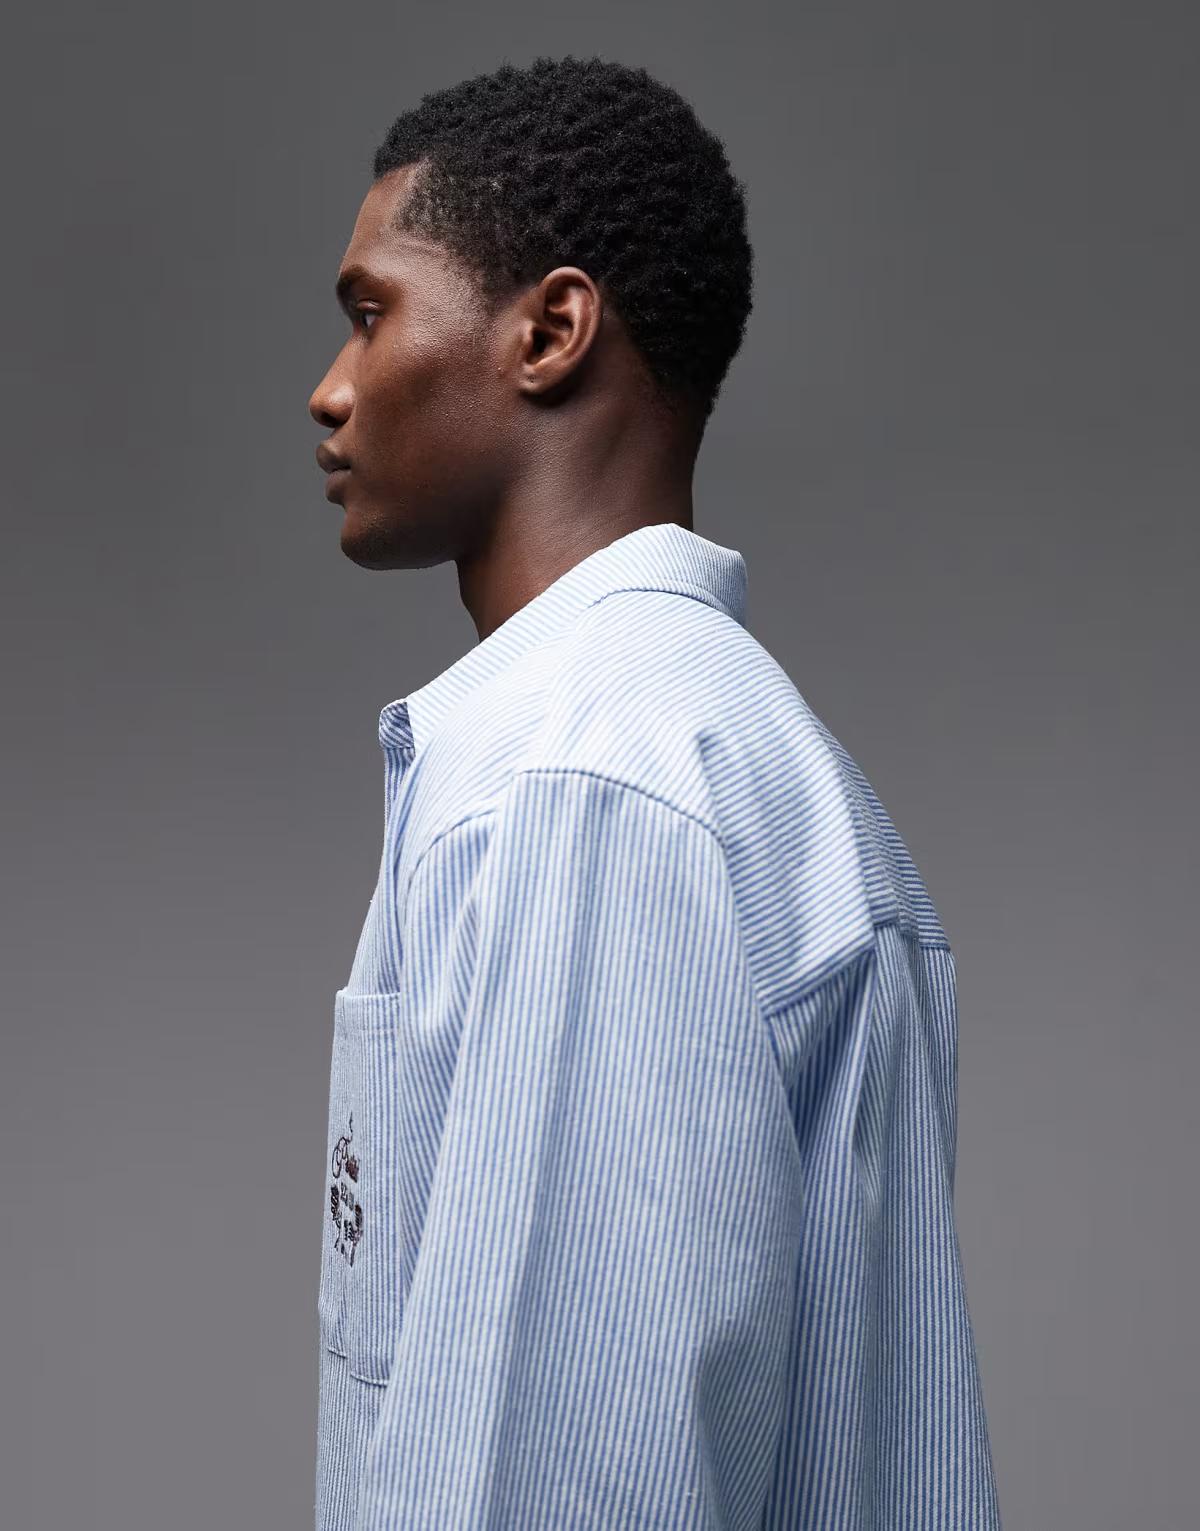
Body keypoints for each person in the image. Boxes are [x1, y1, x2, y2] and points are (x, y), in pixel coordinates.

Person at [307, 54, 1001, 1531]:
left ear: (550, 331)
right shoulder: (755, 764)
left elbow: (564, 1484)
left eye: (371, 313)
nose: (332, 387)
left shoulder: (588, 784)